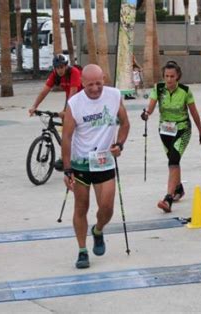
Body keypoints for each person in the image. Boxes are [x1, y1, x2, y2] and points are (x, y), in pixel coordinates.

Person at [62, 64, 130, 269]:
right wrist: (67, 169)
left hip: (105, 161)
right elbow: (66, 137)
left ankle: (98, 230)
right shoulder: (74, 103)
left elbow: (125, 123)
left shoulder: (114, 95)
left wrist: (119, 144)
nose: (95, 88)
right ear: (82, 83)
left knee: (107, 208)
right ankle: (82, 251)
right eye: (90, 84)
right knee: (81, 207)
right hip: (81, 162)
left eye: (99, 83)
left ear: (104, 80)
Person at [141, 60, 201, 213]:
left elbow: (194, 113)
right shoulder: (158, 89)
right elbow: (150, 108)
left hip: (183, 130)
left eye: (172, 76)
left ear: (178, 76)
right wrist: (146, 114)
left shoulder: (185, 91)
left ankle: (168, 199)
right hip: (165, 131)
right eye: (166, 76)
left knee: (173, 161)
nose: (169, 79)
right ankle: (178, 189)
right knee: (174, 161)